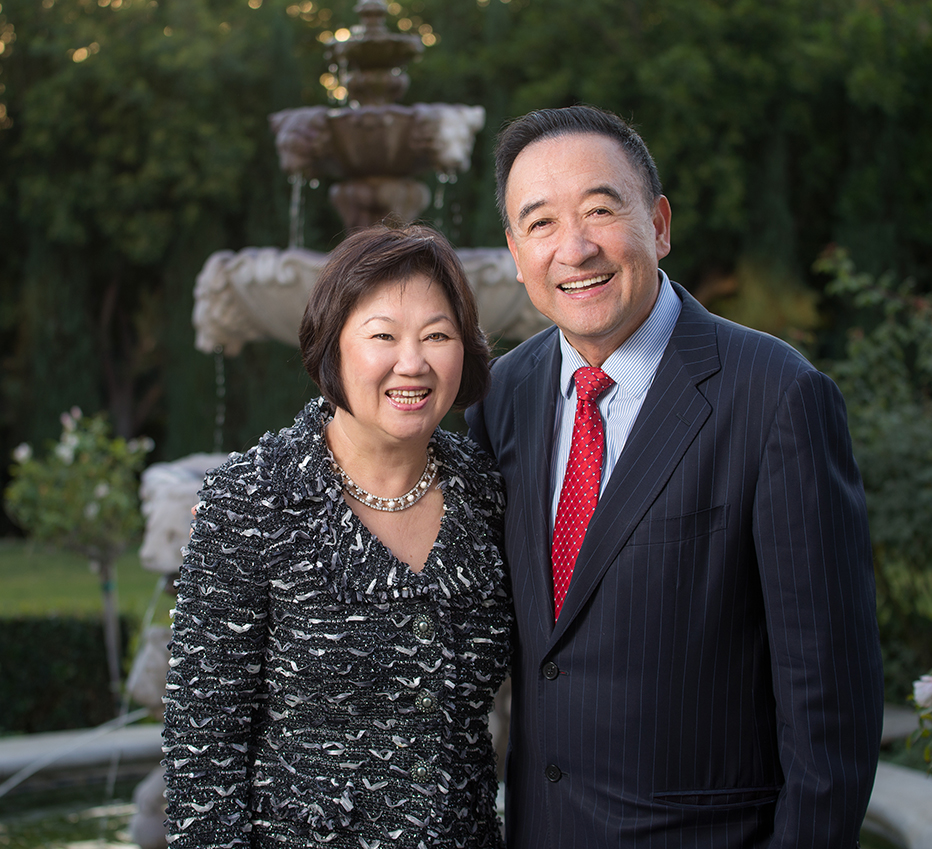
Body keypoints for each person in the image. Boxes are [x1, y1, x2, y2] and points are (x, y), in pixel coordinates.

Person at [466, 105, 883, 848]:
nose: (576, 248)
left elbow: (831, 708)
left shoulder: (776, 396)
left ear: (658, 224)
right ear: (514, 251)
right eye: (541, 224)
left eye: (601, 209)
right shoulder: (504, 397)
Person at [162, 223, 513, 848]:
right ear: (333, 347)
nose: (414, 362)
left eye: (438, 335)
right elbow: (201, 758)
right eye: (383, 336)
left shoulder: (488, 495)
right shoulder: (253, 500)